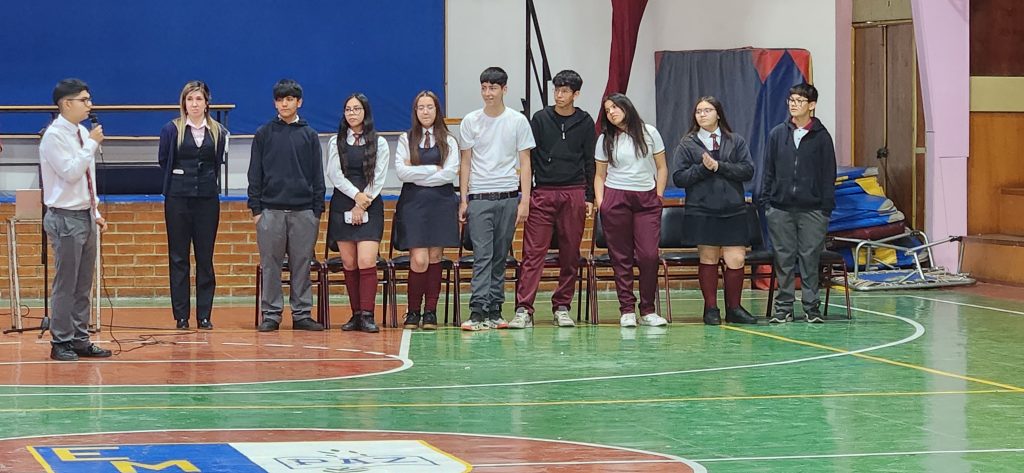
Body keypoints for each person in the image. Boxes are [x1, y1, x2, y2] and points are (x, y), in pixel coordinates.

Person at [509, 69, 595, 329]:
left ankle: (562, 306)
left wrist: (589, 196)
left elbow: (590, 160)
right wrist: (526, 195)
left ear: (576, 94)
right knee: (533, 253)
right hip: (543, 192)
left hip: (574, 191)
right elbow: (530, 159)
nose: (559, 95)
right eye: (557, 90)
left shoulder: (586, 122)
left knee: (570, 253)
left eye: (565, 91)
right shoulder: (540, 118)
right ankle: (524, 308)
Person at [458, 67, 536, 331]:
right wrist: (464, 199)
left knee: (500, 256)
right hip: (480, 196)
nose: (487, 93)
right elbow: (466, 162)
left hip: (508, 196)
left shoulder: (517, 121)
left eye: (493, 88)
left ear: (504, 89)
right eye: (484, 88)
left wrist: (524, 200)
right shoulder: (471, 121)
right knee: (483, 255)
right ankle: (477, 311)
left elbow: (525, 162)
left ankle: (495, 310)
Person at [39, 78, 111, 361]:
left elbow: (87, 178)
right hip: (65, 217)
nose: (89, 105)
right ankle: (61, 340)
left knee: (83, 284)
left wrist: (95, 211)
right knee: (66, 283)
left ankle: (80, 338)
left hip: (85, 215)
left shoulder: (82, 132)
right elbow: (70, 173)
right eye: (84, 100)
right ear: (66, 103)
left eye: (89, 99)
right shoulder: (54, 136)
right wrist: (92, 144)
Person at [672, 96, 758, 325]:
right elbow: (679, 177)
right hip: (702, 209)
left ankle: (734, 308)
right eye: (698, 111)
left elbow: (747, 170)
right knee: (708, 258)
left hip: (733, 209)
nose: (702, 114)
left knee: (736, 258)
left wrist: (719, 166)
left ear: (718, 114)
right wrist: (703, 168)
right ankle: (711, 308)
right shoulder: (687, 144)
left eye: (707, 110)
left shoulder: (735, 141)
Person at [248, 79, 326, 332]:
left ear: (299, 102)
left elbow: (317, 175)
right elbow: (255, 173)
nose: (285, 103)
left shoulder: (309, 135)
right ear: (275, 103)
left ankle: (302, 314)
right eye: (280, 99)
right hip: (270, 211)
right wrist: (257, 210)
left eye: (290, 99)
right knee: (270, 264)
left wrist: (316, 211)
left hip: (304, 212)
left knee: (301, 264)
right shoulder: (264, 134)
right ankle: (271, 314)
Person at [760, 83, 837, 324]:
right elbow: (768, 170)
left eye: (800, 101)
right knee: (783, 259)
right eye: (791, 100)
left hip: (813, 210)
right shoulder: (777, 134)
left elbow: (828, 174)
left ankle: (811, 308)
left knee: (809, 258)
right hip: (780, 208)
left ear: (811, 105)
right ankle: (783, 307)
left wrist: (825, 209)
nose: (794, 104)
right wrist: (767, 202)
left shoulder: (822, 137)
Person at [158, 81, 228, 330]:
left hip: (207, 200)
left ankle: (204, 315)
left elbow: (217, 162)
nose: (194, 104)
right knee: (178, 257)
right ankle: (181, 316)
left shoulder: (218, 132)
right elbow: (164, 160)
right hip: (177, 199)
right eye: (190, 99)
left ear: (207, 103)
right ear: (184, 103)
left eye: (199, 99)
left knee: (205, 258)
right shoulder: (171, 130)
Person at [594, 93, 668, 328]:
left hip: (647, 199)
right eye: (607, 110)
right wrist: (602, 203)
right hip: (616, 197)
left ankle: (648, 310)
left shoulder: (650, 132)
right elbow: (599, 175)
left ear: (627, 107)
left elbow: (662, 167)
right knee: (621, 257)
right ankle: (626, 309)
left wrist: (658, 195)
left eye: (615, 107)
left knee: (649, 255)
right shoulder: (605, 139)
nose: (611, 113)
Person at [394, 91, 460, 330]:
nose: (425, 111)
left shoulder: (449, 140)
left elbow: (450, 174)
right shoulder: (406, 139)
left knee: (434, 258)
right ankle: (413, 311)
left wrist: (418, 172)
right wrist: (433, 169)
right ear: (415, 111)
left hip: (441, 204)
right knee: (419, 259)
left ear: (437, 110)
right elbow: (402, 173)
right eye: (420, 107)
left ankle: (430, 312)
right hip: (414, 205)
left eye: (429, 107)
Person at [326, 93, 389, 333]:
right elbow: (335, 174)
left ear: (365, 112)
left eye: (357, 109)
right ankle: (355, 314)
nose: (352, 113)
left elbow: (379, 176)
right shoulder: (336, 141)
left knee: (366, 260)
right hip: (343, 201)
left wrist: (362, 202)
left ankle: (367, 314)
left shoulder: (379, 142)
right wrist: (355, 197)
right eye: (348, 109)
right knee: (349, 262)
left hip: (370, 202)